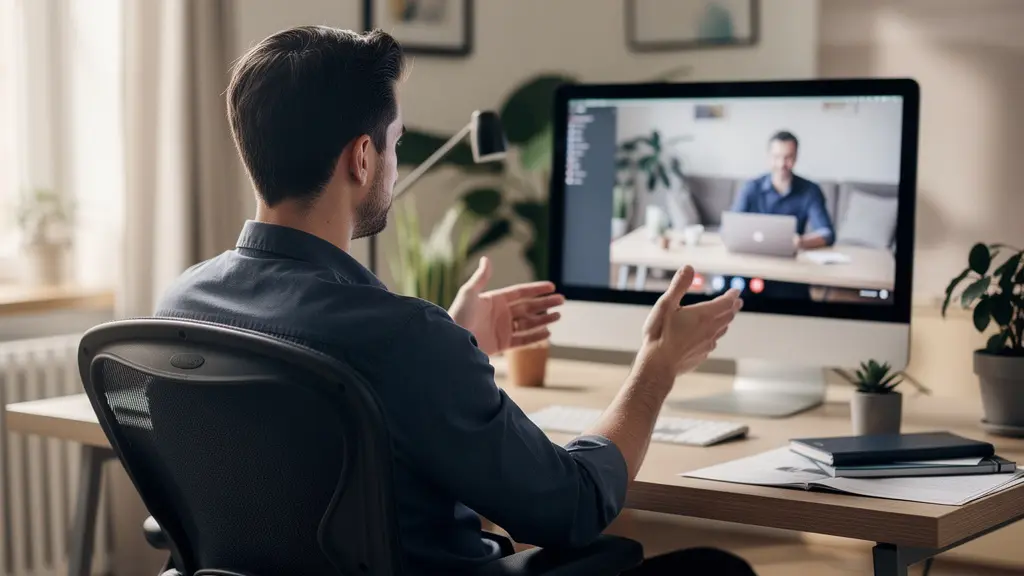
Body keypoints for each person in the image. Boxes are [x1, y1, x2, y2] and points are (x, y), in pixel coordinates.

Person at [157, 26, 752, 576]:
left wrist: (452, 341)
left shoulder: (179, 305)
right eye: (394, 144)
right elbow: (572, 506)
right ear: (362, 158)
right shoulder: (402, 339)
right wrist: (656, 366)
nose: (392, 161)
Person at [731, 131, 835, 250]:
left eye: (788, 157)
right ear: (768, 156)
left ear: (796, 157)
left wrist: (802, 242)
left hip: (791, 256)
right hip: (753, 253)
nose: (781, 164)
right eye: (776, 157)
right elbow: (731, 227)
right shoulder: (751, 187)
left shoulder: (810, 190)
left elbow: (826, 233)